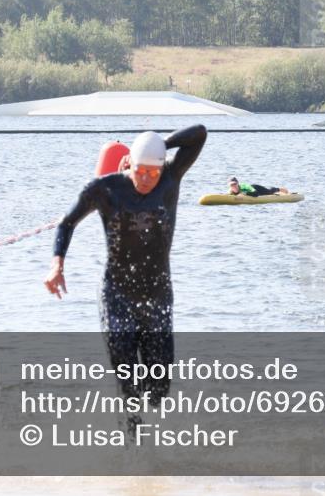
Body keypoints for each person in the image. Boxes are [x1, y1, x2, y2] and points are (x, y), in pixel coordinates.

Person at [46, 126, 207, 426]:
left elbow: (199, 134)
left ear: (162, 168)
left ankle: (153, 454)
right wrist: (57, 264)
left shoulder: (170, 179)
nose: (146, 178)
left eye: (153, 172)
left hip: (157, 296)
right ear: (129, 163)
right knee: (129, 382)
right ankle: (131, 450)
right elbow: (66, 223)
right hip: (117, 296)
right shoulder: (105, 189)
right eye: (140, 170)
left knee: (159, 388)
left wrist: (161, 143)